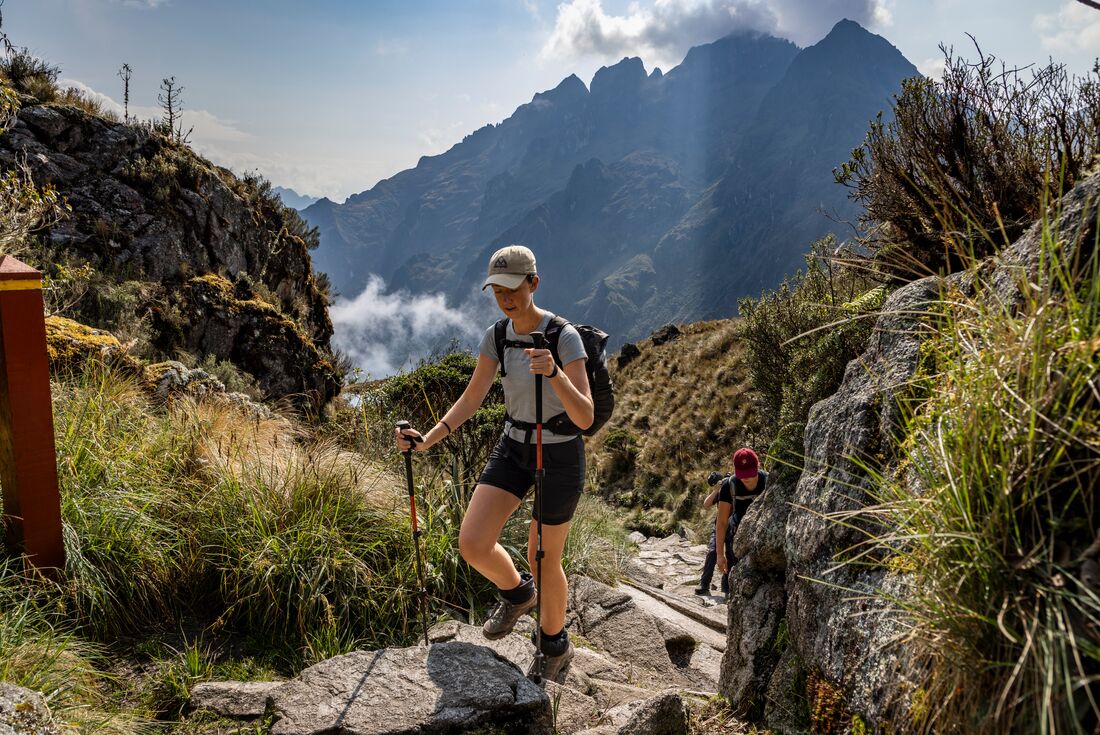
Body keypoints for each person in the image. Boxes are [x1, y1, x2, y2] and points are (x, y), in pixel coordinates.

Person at [395, 244, 593, 684]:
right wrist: (427, 440)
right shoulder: (497, 336)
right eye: (496, 289)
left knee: (543, 556)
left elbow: (585, 417)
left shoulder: (564, 337)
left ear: (533, 283)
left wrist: (556, 374)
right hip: (514, 446)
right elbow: (473, 397)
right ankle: (518, 593)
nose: (504, 297)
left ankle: (554, 644)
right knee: (473, 542)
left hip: (559, 453)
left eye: (512, 287)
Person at [715, 448, 767, 595]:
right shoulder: (729, 486)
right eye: (742, 474)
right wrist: (720, 554)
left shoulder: (768, 481)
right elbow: (722, 522)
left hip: (762, 537)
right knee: (733, 582)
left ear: (758, 466)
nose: (746, 478)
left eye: (750, 473)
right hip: (736, 537)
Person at [695, 470, 731, 596]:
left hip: (734, 523)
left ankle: (726, 586)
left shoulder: (732, 483)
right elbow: (706, 504)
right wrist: (716, 490)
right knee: (712, 552)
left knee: (731, 554)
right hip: (719, 524)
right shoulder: (719, 489)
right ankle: (704, 584)